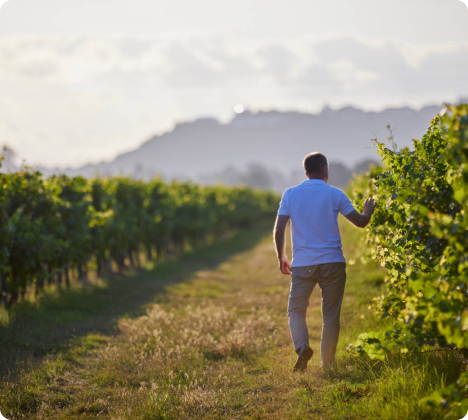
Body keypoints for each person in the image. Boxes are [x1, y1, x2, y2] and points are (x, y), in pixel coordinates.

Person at [273, 152, 376, 372]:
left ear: (306, 171)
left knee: (296, 310)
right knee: (330, 316)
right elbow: (359, 222)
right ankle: (327, 364)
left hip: (302, 264)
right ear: (324, 169)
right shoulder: (334, 194)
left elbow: (280, 228)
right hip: (333, 262)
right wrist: (367, 212)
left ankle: (302, 347)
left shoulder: (290, 194)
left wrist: (282, 256)